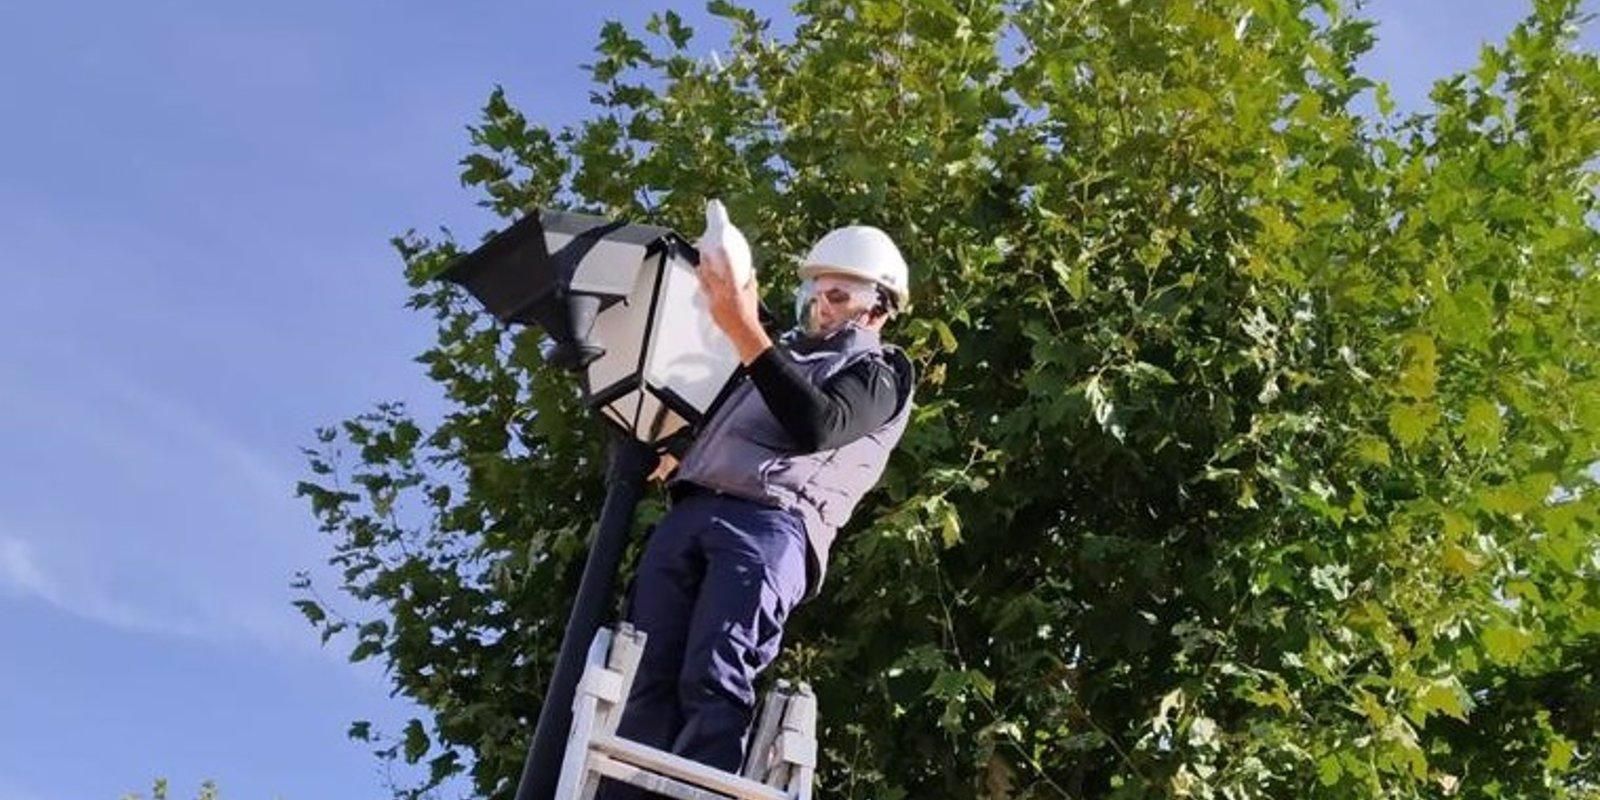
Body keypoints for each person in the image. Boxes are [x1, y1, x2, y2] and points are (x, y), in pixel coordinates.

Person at [598, 225, 916, 794]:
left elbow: (819, 424)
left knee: (714, 674)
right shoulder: (771, 361)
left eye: (838, 296)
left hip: (769, 526)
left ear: (879, 308)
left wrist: (744, 328)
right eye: (814, 294)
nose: (820, 307)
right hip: (693, 512)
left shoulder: (880, 371)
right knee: (645, 678)